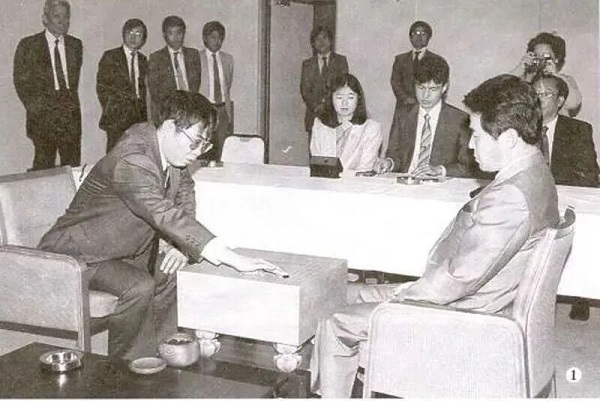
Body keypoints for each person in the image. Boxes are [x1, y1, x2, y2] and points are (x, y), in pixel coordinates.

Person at [310, 74, 560, 398]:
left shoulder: (512, 195)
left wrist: (403, 292)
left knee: (336, 321)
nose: (470, 145)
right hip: (480, 301)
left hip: (464, 315)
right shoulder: (536, 173)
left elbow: (457, 279)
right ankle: (362, 379)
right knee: (343, 294)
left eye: (476, 135)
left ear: (509, 138)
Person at [38, 91, 285, 360]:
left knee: (171, 271)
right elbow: (163, 214)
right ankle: (122, 368)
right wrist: (233, 259)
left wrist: (181, 246)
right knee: (139, 286)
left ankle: (161, 355)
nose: (197, 153)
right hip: (78, 252)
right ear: (169, 127)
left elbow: (184, 193)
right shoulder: (132, 159)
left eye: (204, 146)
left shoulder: (168, 150)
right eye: (195, 143)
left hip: (121, 249)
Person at [533, 73, 599, 321]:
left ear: (560, 100)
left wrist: (555, 188)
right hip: (532, 196)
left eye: (546, 94)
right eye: (535, 95)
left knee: (581, 227)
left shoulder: (578, 130)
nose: (539, 100)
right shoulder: (521, 128)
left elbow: (589, 173)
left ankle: (580, 294)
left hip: (568, 196)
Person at [374, 55, 472, 178]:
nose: (425, 95)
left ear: (444, 87)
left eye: (433, 89)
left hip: (438, 184)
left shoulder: (460, 120)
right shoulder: (403, 115)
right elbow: (395, 155)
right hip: (406, 181)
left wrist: (440, 170)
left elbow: (467, 166)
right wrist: (389, 163)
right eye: (421, 87)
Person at [13, 0, 82, 171]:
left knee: (72, 168)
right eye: (57, 16)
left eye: (66, 17)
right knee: (43, 169)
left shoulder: (75, 45)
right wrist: (38, 109)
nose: (62, 21)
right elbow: (21, 83)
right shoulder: (28, 45)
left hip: (70, 116)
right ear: (45, 19)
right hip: (43, 117)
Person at [310, 73, 382, 172]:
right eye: (339, 97)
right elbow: (319, 163)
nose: (344, 103)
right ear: (331, 98)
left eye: (350, 97)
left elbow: (365, 168)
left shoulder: (371, 128)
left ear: (358, 99)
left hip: (356, 180)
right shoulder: (320, 125)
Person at [97, 18, 149, 153]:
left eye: (138, 34)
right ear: (123, 34)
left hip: (139, 121)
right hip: (117, 120)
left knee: (135, 156)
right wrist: (115, 112)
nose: (133, 37)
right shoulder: (111, 57)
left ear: (143, 39)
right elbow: (103, 89)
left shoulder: (144, 60)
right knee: (115, 157)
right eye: (130, 33)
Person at [510, 32, 582, 117]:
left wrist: (555, 75)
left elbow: (573, 104)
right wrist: (520, 68)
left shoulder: (565, 80)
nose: (541, 61)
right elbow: (500, 92)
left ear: (556, 59)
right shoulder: (523, 80)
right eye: (536, 56)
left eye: (546, 57)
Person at [148, 16, 201, 125]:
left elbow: (196, 82)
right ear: (164, 35)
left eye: (179, 33)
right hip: (168, 112)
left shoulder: (193, 54)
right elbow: (155, 91)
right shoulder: (156, 58)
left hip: (190, 109)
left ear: (184, 34)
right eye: (171, 33)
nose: (176, 37)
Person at [300, 26, 349, 139]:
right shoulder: (307, 64)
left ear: (330, 41)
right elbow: (305, 90)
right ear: (313, 43)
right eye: (318, 39)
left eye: (325, 38)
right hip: (314, 116)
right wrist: (316, 107)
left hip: (335, 116)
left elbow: (342, 86)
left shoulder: (340, 61)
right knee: (315, 149)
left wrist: (327, 105)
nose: (321, 42)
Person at [390, 20, 446, 109]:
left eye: (423, 34)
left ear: (429, 37)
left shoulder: (437, 60)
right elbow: (395, 82)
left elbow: (441, 84)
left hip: (428, 107)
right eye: (415, 33)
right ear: (410, 37)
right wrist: (406, 99)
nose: (419, 37)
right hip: (404, 107)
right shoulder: (400, 59)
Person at [199, 21, 234, 161]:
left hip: (222, 110)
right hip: (204, 110)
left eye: (220, 38)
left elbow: (227, 86)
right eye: (213, 37)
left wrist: (228, 113)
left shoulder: (228, 59)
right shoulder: (197, 58)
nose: (217, 41)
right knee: (203, 149)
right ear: (205, 38)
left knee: (222, 150)